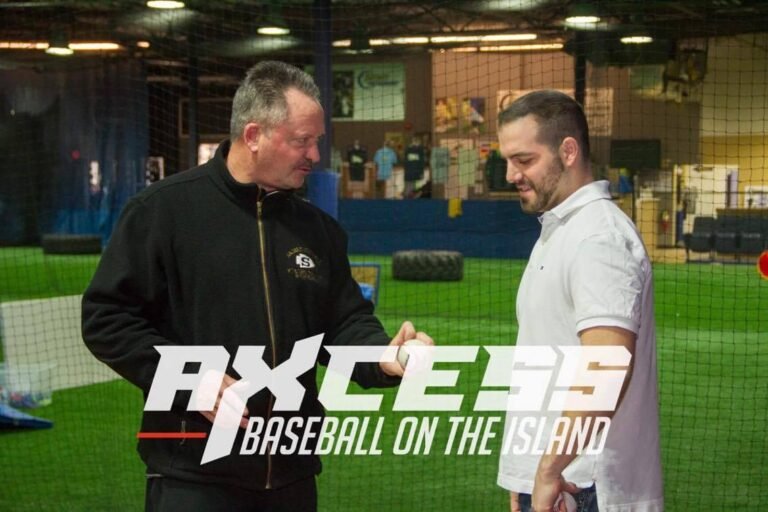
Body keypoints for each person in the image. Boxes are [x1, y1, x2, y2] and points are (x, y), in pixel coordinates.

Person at [81, 61, 432, 512]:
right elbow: (107, 319)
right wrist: (189, 378)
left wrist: (384, 356)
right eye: (301, 141)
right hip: (193, 476)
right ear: (253, 136)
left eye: (317, 140)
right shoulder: (162, 211)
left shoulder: (319, 230)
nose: (314, 155)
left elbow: (344, 322)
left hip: (292, 476)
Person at [495, 90, 663, 512]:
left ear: (568, 151)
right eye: (507, 161)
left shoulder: (598, 237)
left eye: (524, 160)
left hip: (584, 486)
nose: (511, 175)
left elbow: (606, 368)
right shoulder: (560, 231)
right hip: (559, 480)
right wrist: (524, 477)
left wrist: (548, 471)